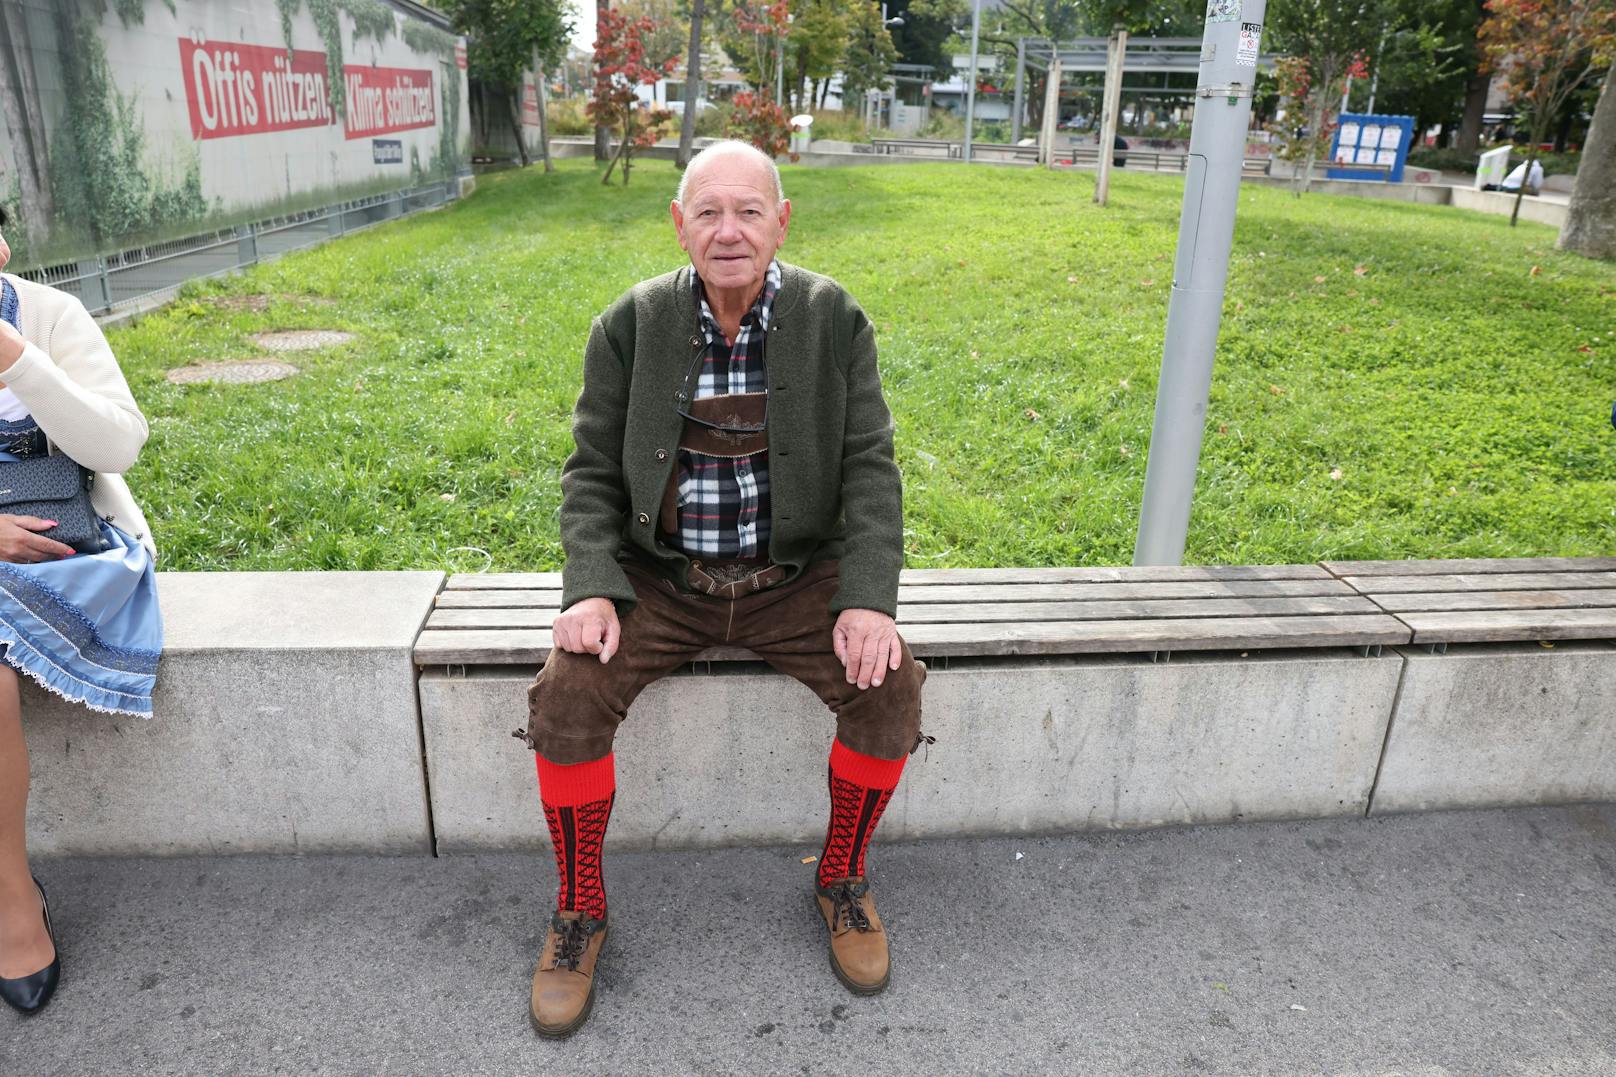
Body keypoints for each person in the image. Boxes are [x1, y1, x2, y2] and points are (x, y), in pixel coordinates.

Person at [515, 140, 926, 1037]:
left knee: (889, 683)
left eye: (749, 211)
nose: (729, 230)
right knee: (568, 692)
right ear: (680, 224)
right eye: (708, 212)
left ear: (783, 221)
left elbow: (869, 466)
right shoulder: (629, 323)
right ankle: (582, 907)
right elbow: (590, 472)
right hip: (661, 578)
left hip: (792, 578)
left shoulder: (833, 318)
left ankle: (842, 879)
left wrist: (867, 597)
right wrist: (590, 585)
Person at [0, 206, 162, 1015]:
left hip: (70, 558)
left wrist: (20, 360)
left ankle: (12, 903)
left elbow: (118, 445)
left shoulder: (47, 315)